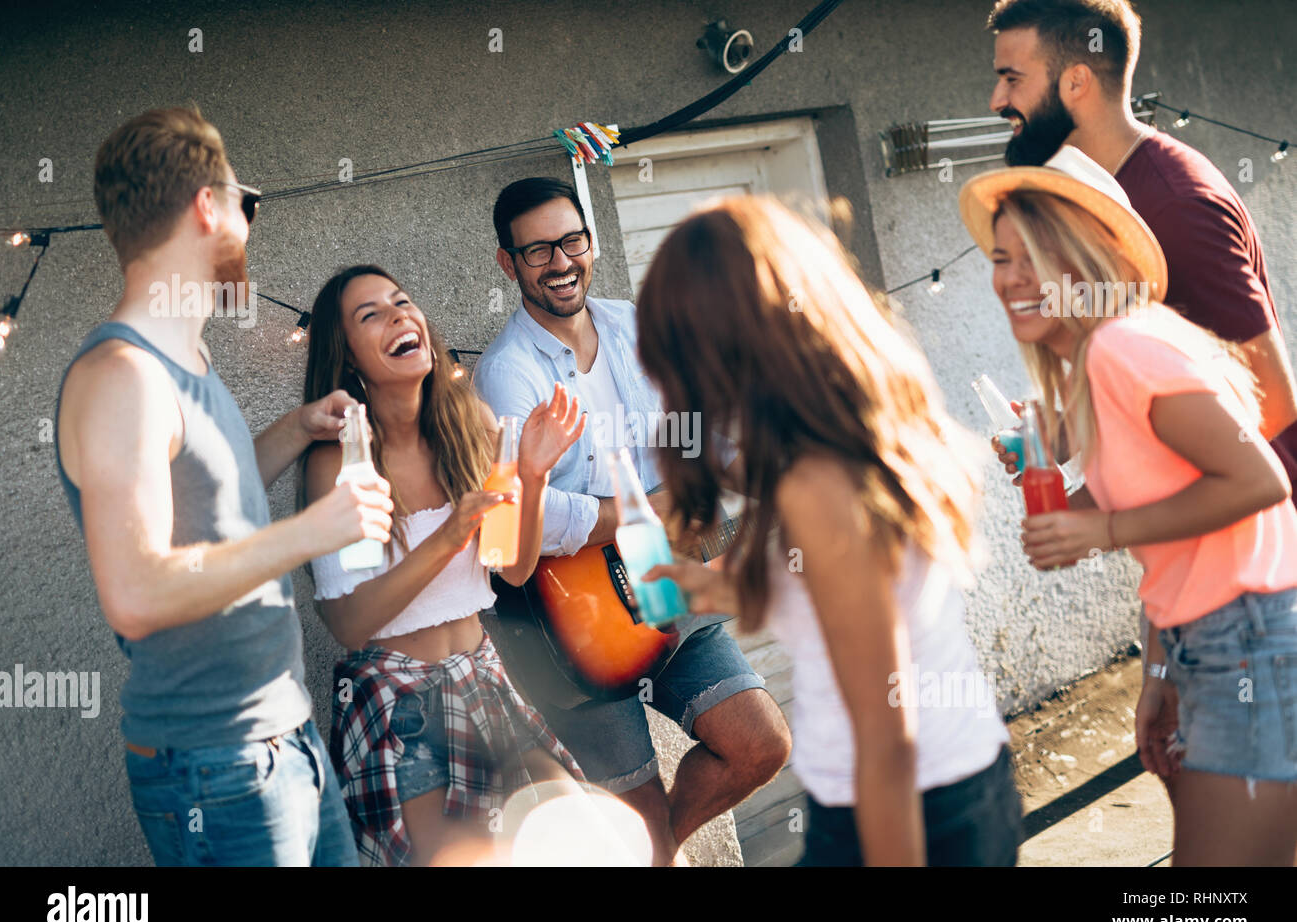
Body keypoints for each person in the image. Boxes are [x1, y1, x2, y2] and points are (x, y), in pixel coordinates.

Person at [634, 195, 1020, 866]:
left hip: (904, 807)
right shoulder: (845, 432)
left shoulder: (816, 484)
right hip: (935, 787)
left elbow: (886, 730)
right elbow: (832, 596)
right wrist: (713, 585)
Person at [54, 107, 391, 866]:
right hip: (215, 766)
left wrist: (300, 429)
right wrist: (312, 531)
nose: (249, 220)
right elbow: (136, 594)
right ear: (208, 207)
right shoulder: (123, 376)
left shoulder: (188, 358)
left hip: (287, 739)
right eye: (247, 201)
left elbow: (216, 510)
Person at [961, 145, 1297, 865]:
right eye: (999, 258)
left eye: (1033, 257)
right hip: (1211, 643)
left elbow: (1259, 481)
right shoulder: (1097, 363)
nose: (1011, 279)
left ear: (1080, 263)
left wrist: (1099, 527)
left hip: (1253, 639)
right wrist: (1158, 677)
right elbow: (1174, 530)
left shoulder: (1123, 346)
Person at [474, 177, 792, 866]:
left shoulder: (638, 325)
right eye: (536, 252)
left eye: (571, 241)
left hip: (665, 586)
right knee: (635, 817)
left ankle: (653, 850)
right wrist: (639, 511)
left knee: (760, 745)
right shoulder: (507, 375)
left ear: (590, 240)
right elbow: (523, 515)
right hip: (571, 622)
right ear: (508, 263)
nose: (561, 262)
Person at [300, 265, 590, 867]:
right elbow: (351, 623)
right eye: (371, 314)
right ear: (348, 357)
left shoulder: (470, 426)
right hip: (397, 703)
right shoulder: (342, 463)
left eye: (402, 302)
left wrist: (531, 477)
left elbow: (509, 567)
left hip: (483, 678)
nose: (399, 314)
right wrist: (448, 535)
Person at [986, 0, 1297, 495]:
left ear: (1076, 82)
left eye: (1012, 79)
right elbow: (1173, 385)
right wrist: (1066, 430)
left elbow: (1269, 404)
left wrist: (1098, 506)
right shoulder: (1101, 197)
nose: (996, 99)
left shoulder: (1177, 207)